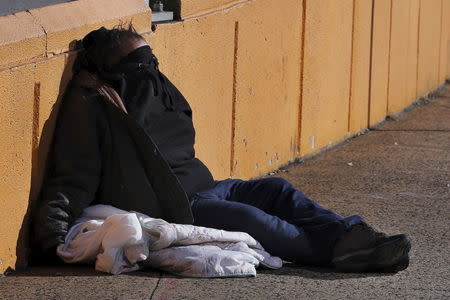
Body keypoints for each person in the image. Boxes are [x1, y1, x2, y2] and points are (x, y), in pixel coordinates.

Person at [33, 25, 411, 273]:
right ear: (112, 70)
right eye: (140, 63)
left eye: (152, 60)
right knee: (254, 221)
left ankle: (352, 233)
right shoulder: (96, 109)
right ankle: (340, 252)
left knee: (275, 190)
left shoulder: (154, 88)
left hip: (210, 185)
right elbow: (73, 177)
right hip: (179, 204)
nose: (150, 69)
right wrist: (53, 239)